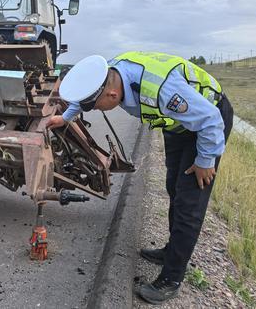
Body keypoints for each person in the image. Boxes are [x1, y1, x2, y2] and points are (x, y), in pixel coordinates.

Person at [46, 52, 233, 305]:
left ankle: (172, 278)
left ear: (112, 96)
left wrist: (205, 160)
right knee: (174, 190)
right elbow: (88, 94)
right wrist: (65, 116)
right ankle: (171, 251)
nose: (97, 110)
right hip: (177, 127)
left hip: (206, 124)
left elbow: (210, 120)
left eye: (98, 108)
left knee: (190, 202)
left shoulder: (162, 90)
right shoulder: (110, 74)